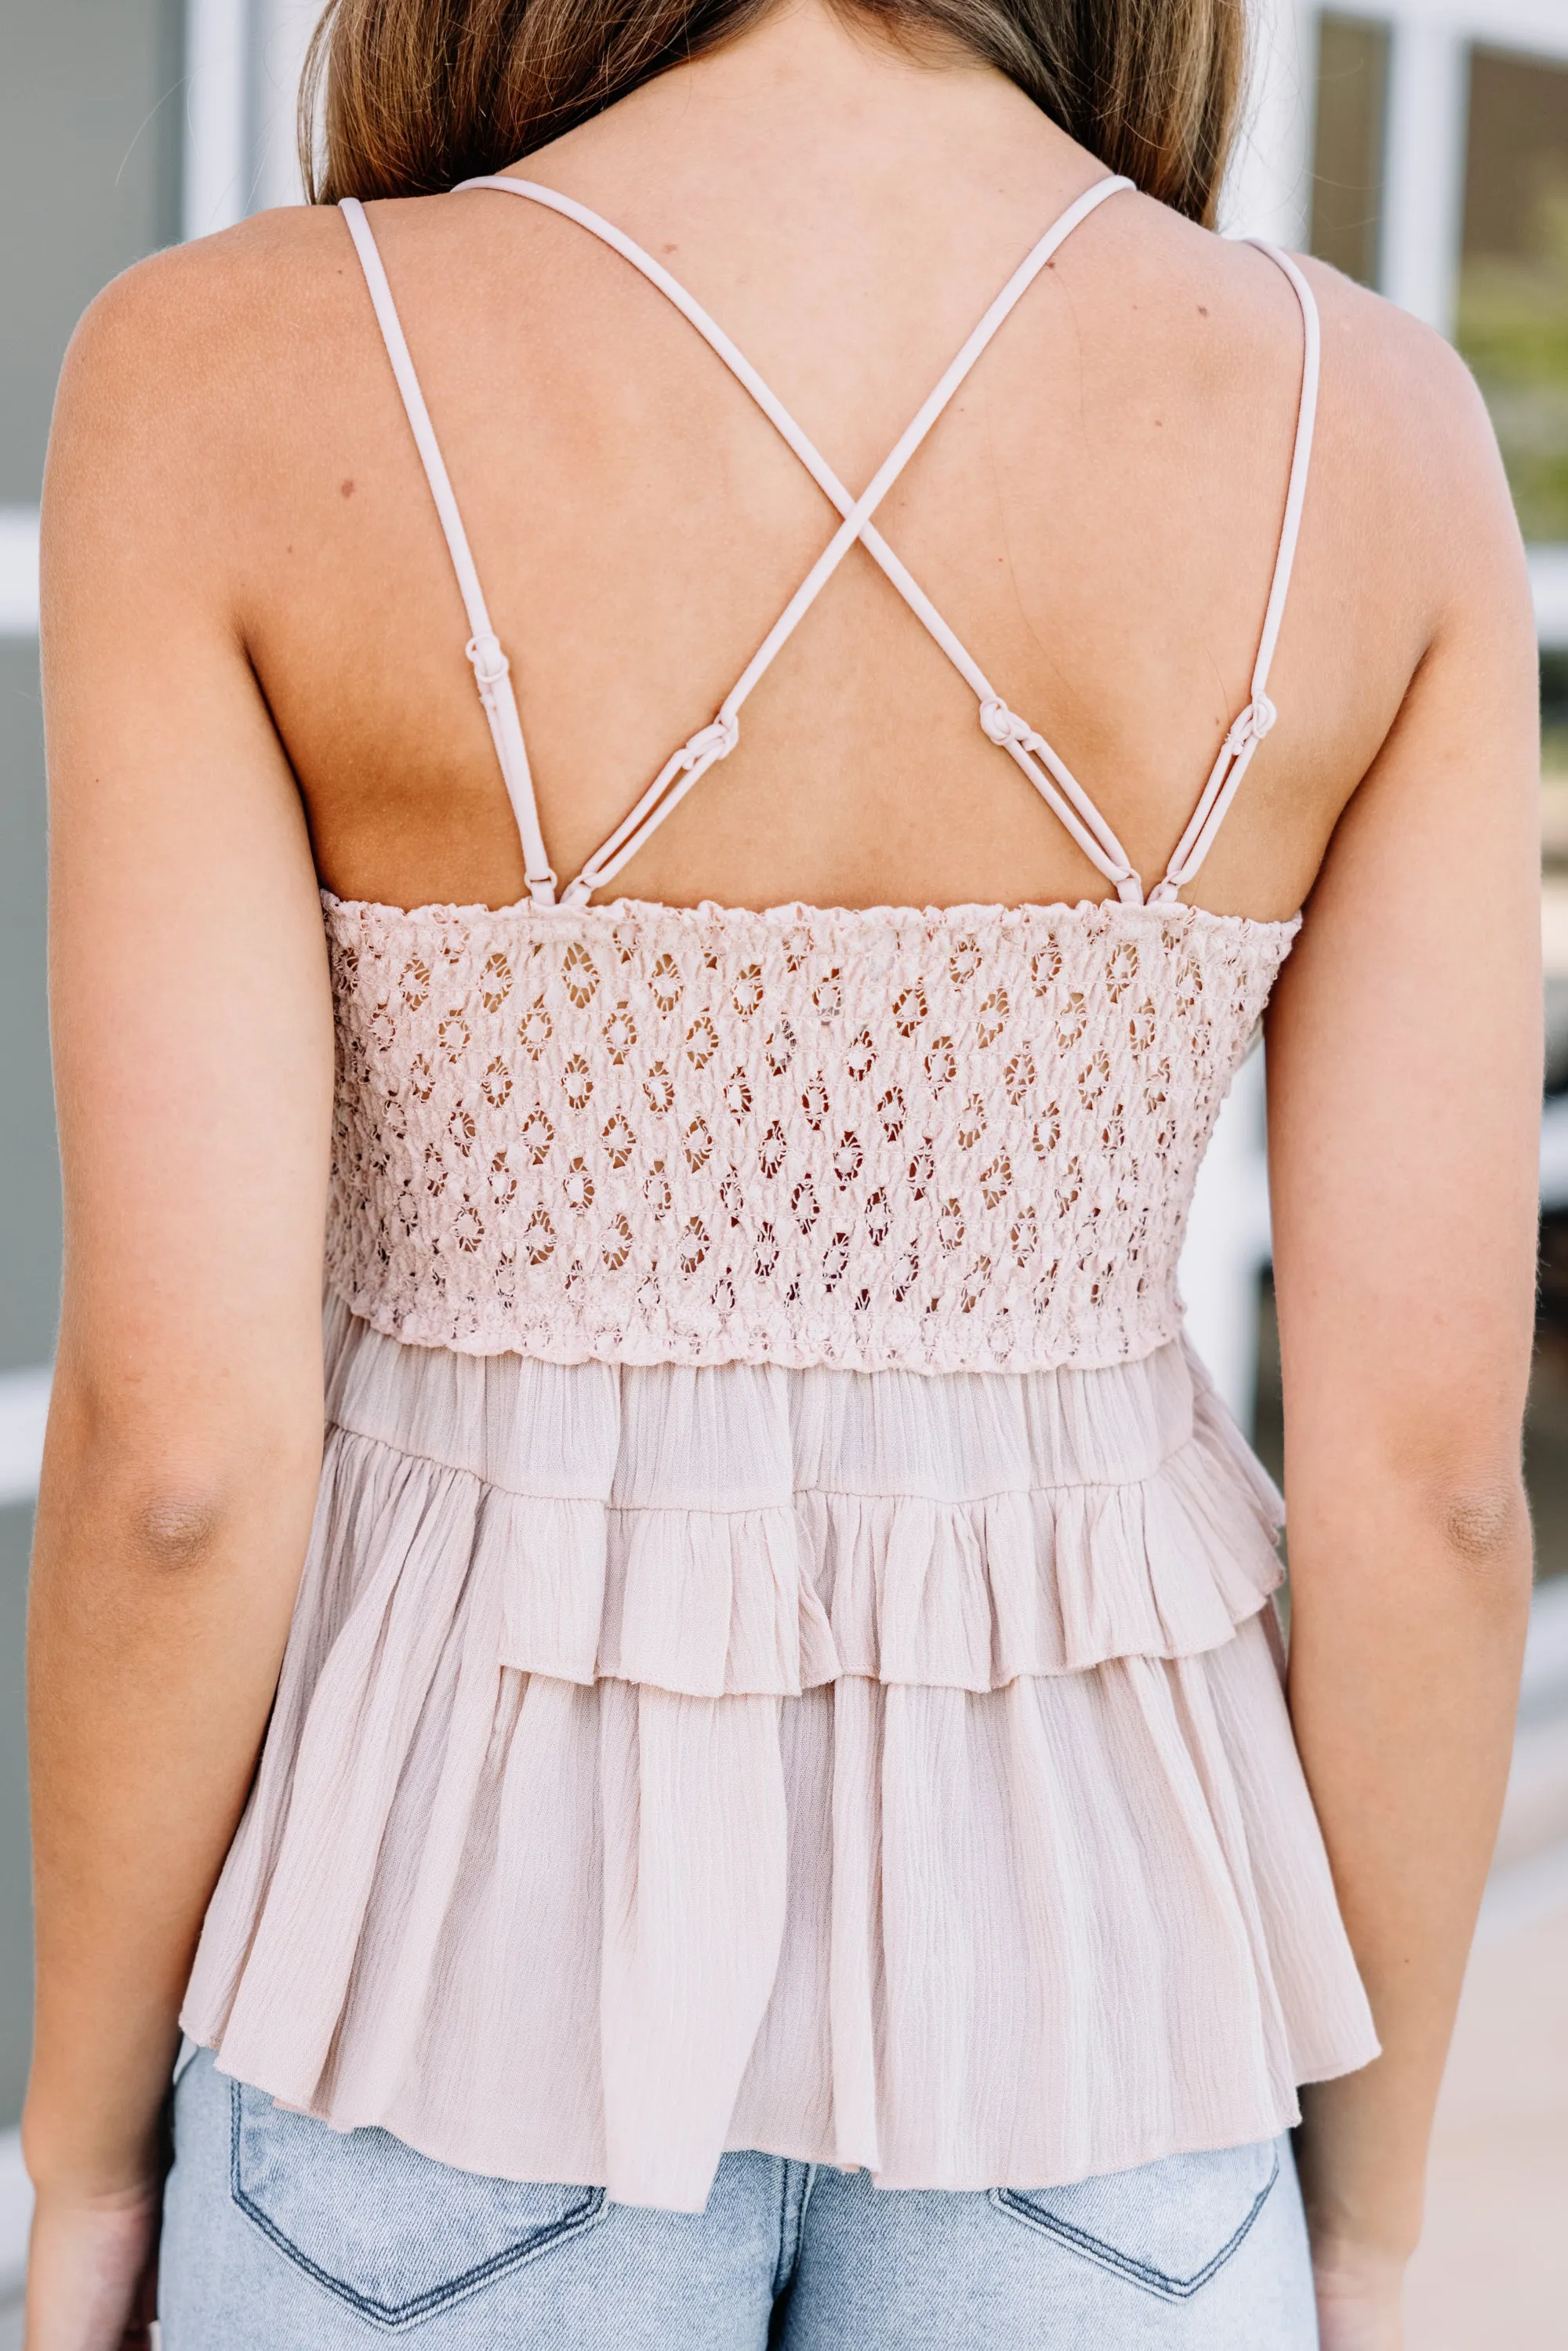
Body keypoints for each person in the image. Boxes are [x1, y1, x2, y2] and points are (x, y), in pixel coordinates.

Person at [24, 0, 1541, 2343]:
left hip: (433, 2001)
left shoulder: (231, 376)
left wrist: (87, 2162)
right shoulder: (1375, 434)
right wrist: (1365, 2214)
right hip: (1111, 2023)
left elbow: (177, 1470)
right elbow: (1434, 1484)